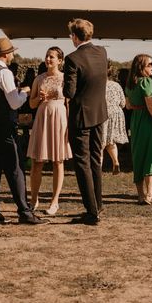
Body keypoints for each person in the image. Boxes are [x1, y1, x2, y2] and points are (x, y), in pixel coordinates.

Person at [0, 37, 47, 225]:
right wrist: (25, 92)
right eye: (11, 52)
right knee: (15, 168)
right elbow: (14, 102)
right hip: (4, 126)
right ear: (6, 54)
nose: (13, 54)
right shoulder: (5, 73)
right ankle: (24, 212)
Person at [63, 18, 109, 226]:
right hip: (99, 113)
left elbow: (69, 92)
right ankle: (97, 205)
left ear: (74, 36)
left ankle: (91, 212)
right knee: (95, 160)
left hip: (81, 116)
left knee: (82, 163)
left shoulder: (72, 59)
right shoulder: (102, 52)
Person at [27, 47, 72, 216]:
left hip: (59, 119)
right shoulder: (39, 79)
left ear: (60, 61)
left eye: (52, 57)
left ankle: (55, 201)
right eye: (47, 56)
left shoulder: (65, 79)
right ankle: (33, 199)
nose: (48, 59)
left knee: (58, 161)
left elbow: (70, 102)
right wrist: (39, 98)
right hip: (42, 118)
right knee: (37, 162)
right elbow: (31, 104)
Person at [126, 54, 152, 204]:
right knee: (150, 155)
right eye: (150, 64)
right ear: (141, 67)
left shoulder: (131, 83)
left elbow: (128, 105)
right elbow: (150, 106)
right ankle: (150, 194)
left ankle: (140, 195)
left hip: (136, 121)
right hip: (148, 121)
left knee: (139, 155)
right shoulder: (147, 82)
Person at [99, 63, 128, 175]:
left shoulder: (97, 86)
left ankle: (98, 169)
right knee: (111, 141)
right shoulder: (116, 85)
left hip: (103, 114)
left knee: (100, 143)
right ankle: (116, 162)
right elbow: (123, 103)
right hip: (116, 114)